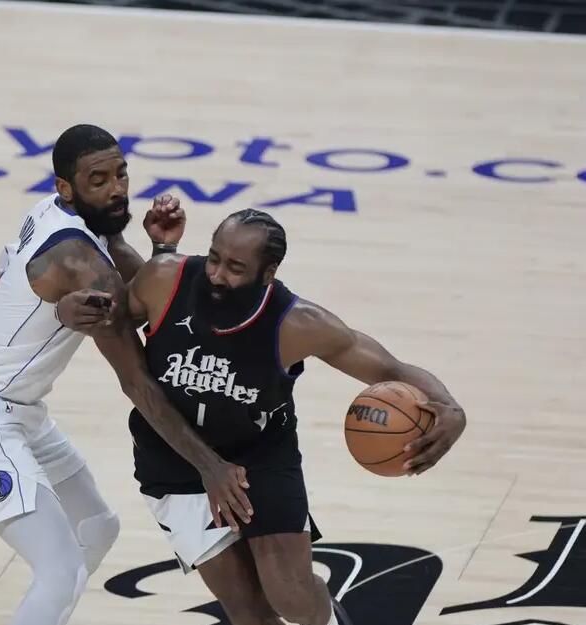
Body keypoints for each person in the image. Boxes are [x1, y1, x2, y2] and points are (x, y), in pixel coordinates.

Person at [0, 124, 252, 625]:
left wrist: (161, 252)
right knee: (60, 569)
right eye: (99, 180)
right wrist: (210, 466)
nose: (117, 189)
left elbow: (132, 287)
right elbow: (138, 380)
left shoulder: (64, 215)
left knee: (96, 528)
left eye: (121, 174)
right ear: (66, 187)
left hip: (18, 409)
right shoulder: (78, 261)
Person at [66, 208, 467, 625]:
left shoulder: (299, 323)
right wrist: (70, 309)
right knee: (250, 613)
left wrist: (451, 408)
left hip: (259, 455)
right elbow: (117, 321)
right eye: (214, 257)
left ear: (268, 273)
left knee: (291, 597)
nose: (217, 275)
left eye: (236, 267)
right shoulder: (166, 276)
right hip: (173, 459)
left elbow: (390, 368)